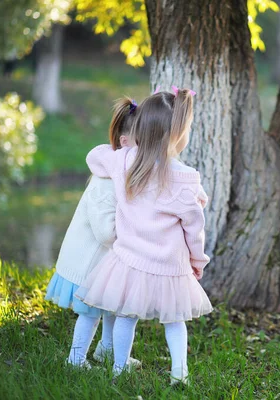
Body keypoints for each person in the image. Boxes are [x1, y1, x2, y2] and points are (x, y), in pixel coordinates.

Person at [76, 86, 212, 385]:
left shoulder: (125, 162)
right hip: (171, 265)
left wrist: (120, 152)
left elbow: (94, 156)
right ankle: (180, 372)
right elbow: (194, 229)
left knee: (126, 316)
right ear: (178, 134)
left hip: (129, 261)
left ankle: (119, 369)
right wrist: (198, 261)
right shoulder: (187, 179)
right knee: (175, 320)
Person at [45, 97, 139, 369]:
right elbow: (105, 234)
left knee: (114, 306)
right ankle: (75, 359)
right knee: (90, 314)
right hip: (87, 266)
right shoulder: (105, 183)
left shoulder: (121, 176)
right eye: (143, 143)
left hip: (105, 265)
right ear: (124, 143)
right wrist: (134, 226)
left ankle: (107, 350)